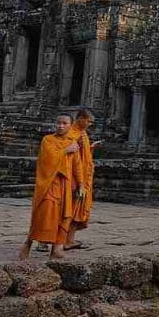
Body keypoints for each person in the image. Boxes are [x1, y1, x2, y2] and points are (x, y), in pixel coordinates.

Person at [19, 114, 83, 260]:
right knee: (45, 215)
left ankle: (57, 248)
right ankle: (28, 243)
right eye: (58, 123)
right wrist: (66, 150)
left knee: (64, 216)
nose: (60, 126)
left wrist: (81, 184)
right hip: (50, 183)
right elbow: (47, 160)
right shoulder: (48, 140)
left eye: (64, 123)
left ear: (70, 126)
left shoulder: (72, 142)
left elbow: (77, 166)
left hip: (65, 184)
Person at [66, 107, 102, 250]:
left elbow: (82, 155)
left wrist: (91, 148)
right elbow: (70, 157)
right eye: (89, 121)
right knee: (70, 210)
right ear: (80, 118)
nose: (90, 124)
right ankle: (56, 240)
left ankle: (70, 240)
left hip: (84, 177)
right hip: (75, 178)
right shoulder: (71, 133)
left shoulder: (82, 133)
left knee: (78, 210)